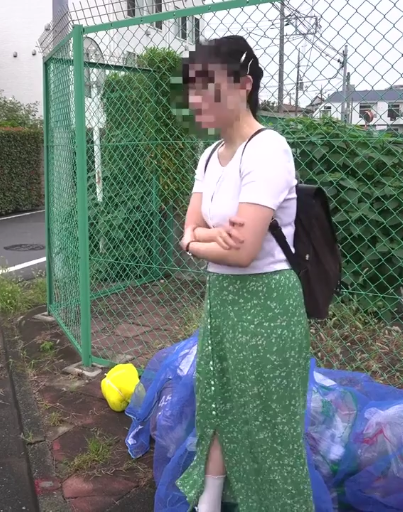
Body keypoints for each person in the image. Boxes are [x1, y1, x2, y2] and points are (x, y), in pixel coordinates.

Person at [174, 36, 315, 511]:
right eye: (192, 89)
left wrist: (199, 241)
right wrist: (205, 238)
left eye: (207, 86)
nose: (196, 100)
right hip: (223, 299)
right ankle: (209, 502)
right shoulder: (209, 157)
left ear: (244, 85)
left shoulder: (268, 149)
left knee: (267, 421)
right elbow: (190, 230)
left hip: (268, 302)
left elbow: (244, 252)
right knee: (218, 400)